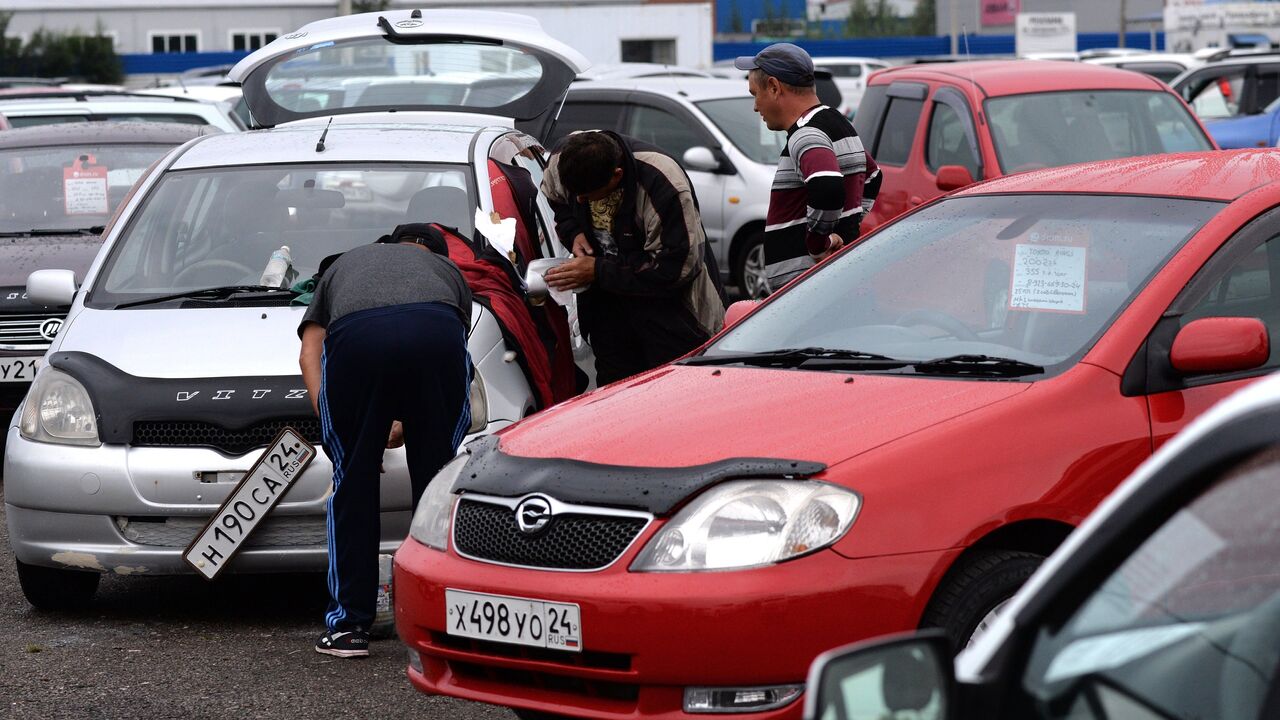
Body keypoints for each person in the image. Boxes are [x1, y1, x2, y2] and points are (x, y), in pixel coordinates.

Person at [298, 223, 472, 658]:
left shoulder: (344, 264)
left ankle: (348, 628)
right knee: (439, 485)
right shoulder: (445, 271)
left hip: (359, 338)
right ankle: (446, 624)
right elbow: (447, 354)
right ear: (435, 253)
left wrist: (349, 435)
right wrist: (402, 422)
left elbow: (310, 353)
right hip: (436, 331)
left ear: (390, 246)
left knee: (352, 487)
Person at [540, 130, 725, 385]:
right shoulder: (562, 162)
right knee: (616, 395)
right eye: (576, 195)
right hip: (607, 310)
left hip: (672, 316)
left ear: (617, 176)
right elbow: (556, 198)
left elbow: (676, 269)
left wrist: (597, 271)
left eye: (589, 195)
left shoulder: (662, 183)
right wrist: (574, 231)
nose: (580, 201)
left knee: (670, 396)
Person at [736, 42, 882, 290]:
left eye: (755, 94)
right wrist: (846, 231)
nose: (755, 106)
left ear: (773, 87)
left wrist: (819, 244)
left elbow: (826, 187)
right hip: (830, 282)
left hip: (807, 290)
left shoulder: (805, 134)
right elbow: (873, 176)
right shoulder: (839, 122)